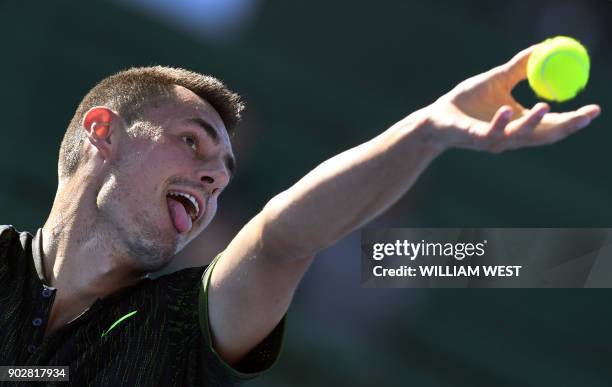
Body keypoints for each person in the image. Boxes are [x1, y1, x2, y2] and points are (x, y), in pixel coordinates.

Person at [0, 44, 600, 386]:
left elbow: (283, 238)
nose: (214, 177)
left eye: (225, 170)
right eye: (192, 141)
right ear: (103, 132)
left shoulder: (177, 331)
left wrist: (427, 132)